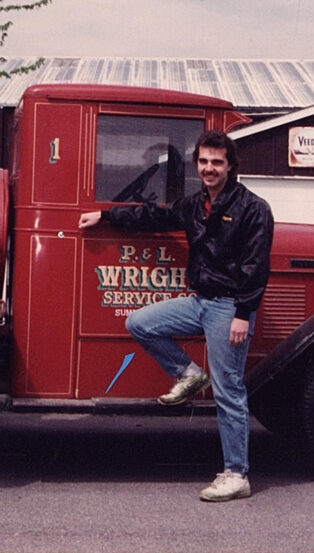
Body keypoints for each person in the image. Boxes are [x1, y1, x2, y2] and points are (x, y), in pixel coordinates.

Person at [78, 130, 273, 502]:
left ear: (231, 166)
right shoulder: (195, 203)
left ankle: (236, 474)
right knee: (141, 322)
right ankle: (188, 374)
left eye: (217, 162)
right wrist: (104, 215)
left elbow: (256, 265)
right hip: (199, 301)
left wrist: (243, 314)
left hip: (230, 306)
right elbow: (155, 217)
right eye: (203, 161)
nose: (209, 168)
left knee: (229, 390)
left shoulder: (253, 207)